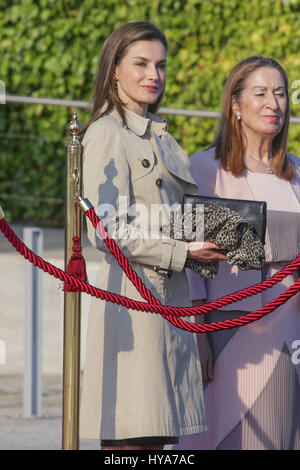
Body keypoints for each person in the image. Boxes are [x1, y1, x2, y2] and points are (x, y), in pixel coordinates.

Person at [79, 21, 226, 450]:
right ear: (114, 70)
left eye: (160, 65)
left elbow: (170, 216)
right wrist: (182, 252)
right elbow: (105, 230)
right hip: (133, 303)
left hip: (168, 304)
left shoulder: (159, 135)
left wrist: (218, 235)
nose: (153, 75)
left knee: (158, 439)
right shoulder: (107, 134)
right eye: (141, 63)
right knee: (132, 441)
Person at [174, 56, 300, 450]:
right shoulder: (203, 167)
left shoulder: (296, 170)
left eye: (279, 93)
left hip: (289, 322)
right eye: (260, 93)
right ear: (235, 104)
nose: (273, 103)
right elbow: (191, 262)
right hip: (228, 325)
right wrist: (197, 335)